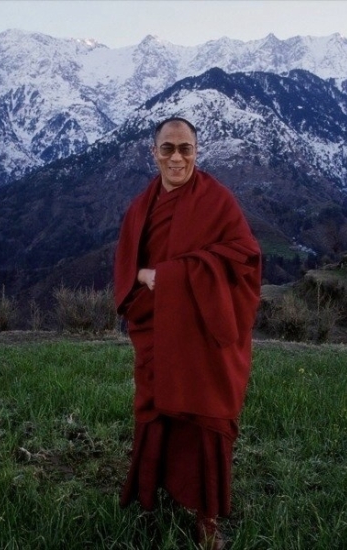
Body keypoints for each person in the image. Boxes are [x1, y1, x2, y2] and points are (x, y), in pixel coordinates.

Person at [113, 116, 261, 549]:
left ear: (197, 151)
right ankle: (152, 496)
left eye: (185, 149)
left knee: (203, 417)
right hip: (158, 328)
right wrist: (142, 275)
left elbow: (244, 259)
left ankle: (206, 517)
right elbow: (126, 267)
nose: (177, 158)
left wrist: (172, 277)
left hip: (201, 332)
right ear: (153, 152)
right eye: (168, 149)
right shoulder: (141, 207)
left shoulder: (218, 201)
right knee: (157, 410)